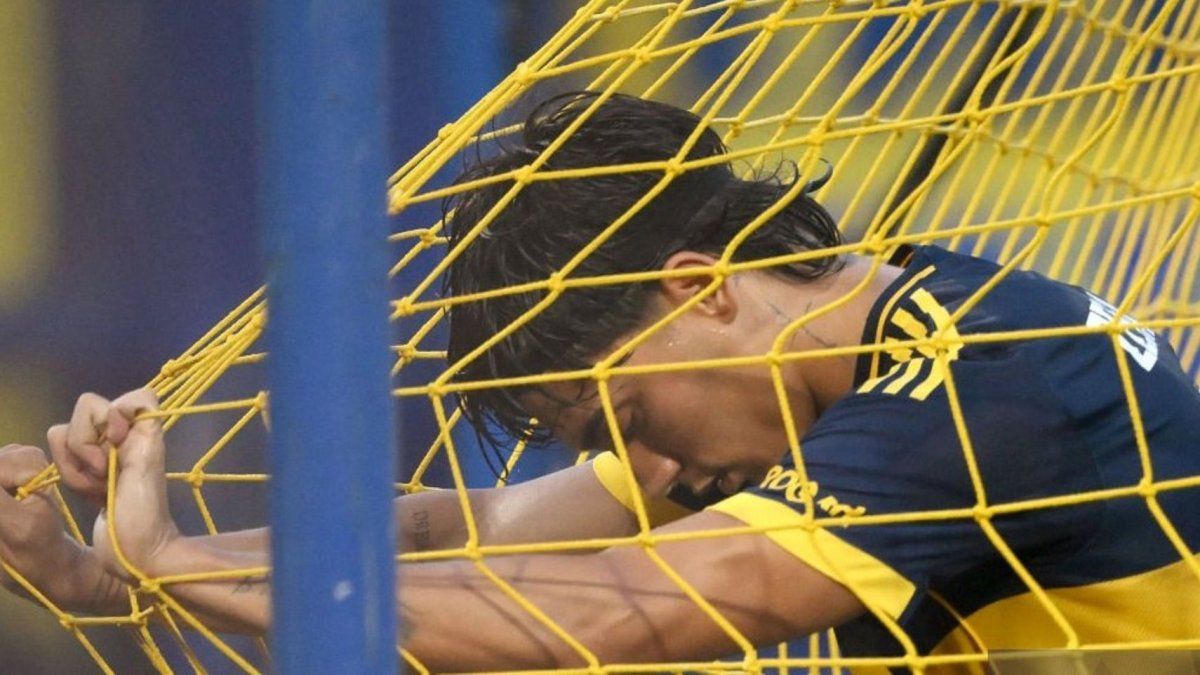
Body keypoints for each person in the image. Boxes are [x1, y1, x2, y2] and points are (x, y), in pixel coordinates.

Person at [1, 91, 1198, 673]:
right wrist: (119, 572)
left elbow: (613, 611)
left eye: (623, 416)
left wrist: (178, 566)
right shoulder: (880, 349)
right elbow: (467, 532)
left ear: (700, 288)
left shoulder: (970, 391)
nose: (653, 470)